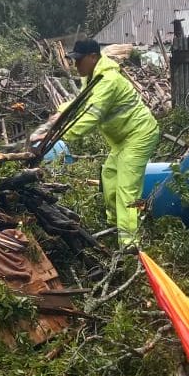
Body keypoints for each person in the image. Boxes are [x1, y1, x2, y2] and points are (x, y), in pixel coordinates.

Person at [32, 39, 159, 248]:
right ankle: (115, 226)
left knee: (127, 189)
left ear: (93, 57)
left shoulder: (108, 80)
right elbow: (80, 102)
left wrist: (59, 136)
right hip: (122, 139)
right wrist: (60, 114)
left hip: (139, 135)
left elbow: (91, 116)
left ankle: (129, 246)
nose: (76, 65)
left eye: (79, 60)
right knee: (109, 177)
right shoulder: (93, 78)